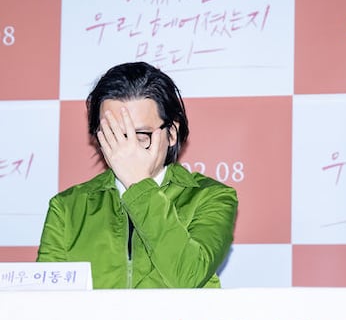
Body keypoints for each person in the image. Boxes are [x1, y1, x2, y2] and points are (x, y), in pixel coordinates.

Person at [37, 62, 238, 288]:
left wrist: (139, 183)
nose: (127, 148)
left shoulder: (212, 197)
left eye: (141, 136)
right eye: (114, 135)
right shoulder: (67, 208)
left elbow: (189, 277)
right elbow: (46, 299)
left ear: (172, 133)